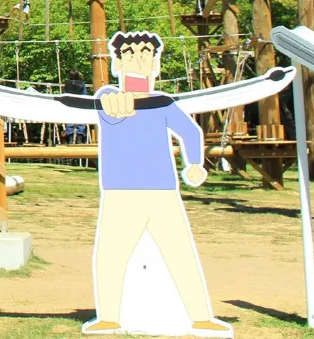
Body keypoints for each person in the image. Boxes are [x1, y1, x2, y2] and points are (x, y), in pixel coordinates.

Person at [83, 31, 231, 336]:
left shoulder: (163, 104)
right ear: (118, 64)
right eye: (131, 55)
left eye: (146, 55)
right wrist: (109, 99)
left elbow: (190, 132)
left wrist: (193, 164)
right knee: (111, 253)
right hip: (119, 191)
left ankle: (200, 316)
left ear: (155, 65)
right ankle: (109, 316)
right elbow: (104, 103)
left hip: (162, 191)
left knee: (180, 252)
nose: (138, 61)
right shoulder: (108, 99)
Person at [62, 69, 88, 144]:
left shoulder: (67, 84)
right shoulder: (82, 84)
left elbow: (65, 94)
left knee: (70, 121)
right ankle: (79, 139)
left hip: (70, 104)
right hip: (79, 104)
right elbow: (84, 94)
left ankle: (70, 139)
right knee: (81, 121)